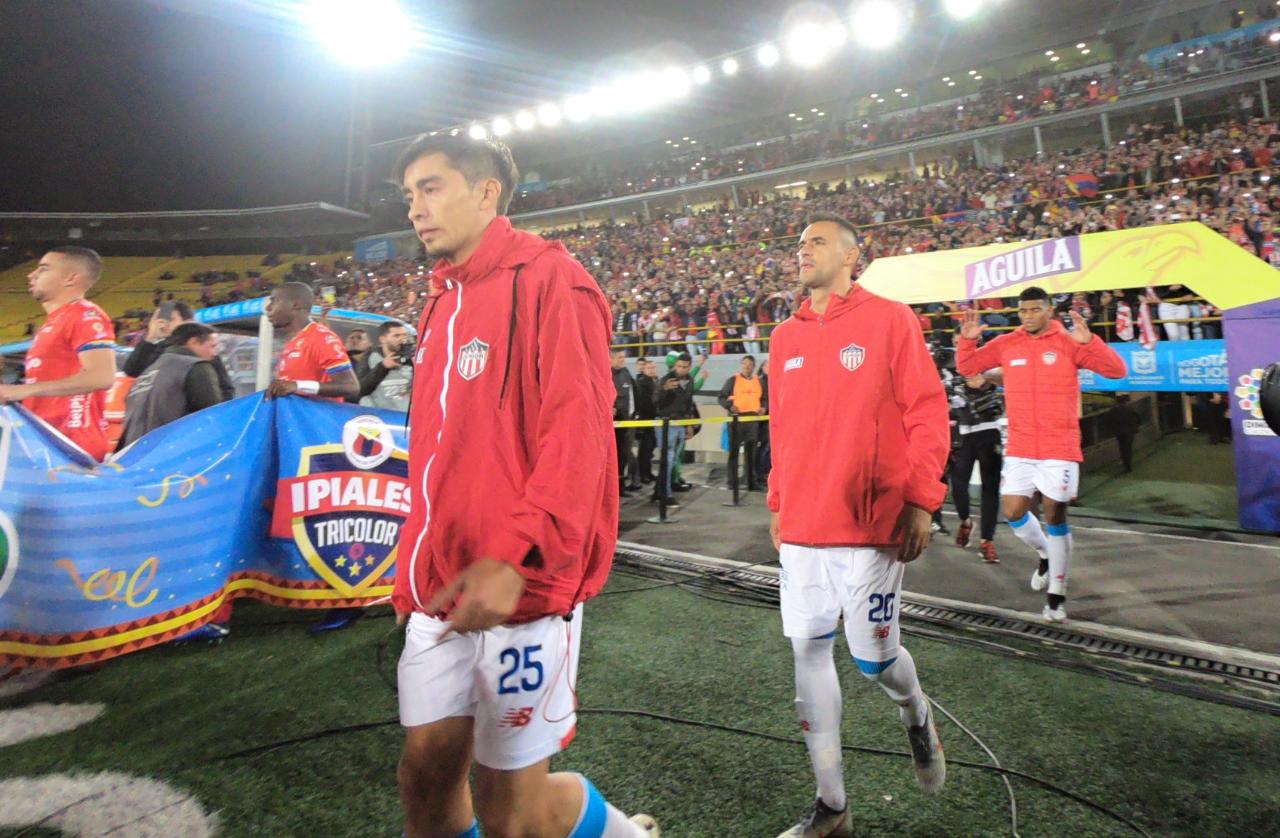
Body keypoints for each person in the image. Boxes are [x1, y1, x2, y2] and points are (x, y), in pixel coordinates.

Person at [391, 133, 658, 838]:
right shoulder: (440, 299)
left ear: (486, 193)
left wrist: (515, 555)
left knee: (516, 813)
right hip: (443, 587)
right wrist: (408, 579)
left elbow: (578, 440)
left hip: (523, 584)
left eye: (432, 187)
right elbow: (433, 455)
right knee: (424, 773)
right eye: (409, 194)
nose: (416, 208)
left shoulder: (552, 279)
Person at [768, 214, 950, 837]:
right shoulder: (784, 336)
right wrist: (777, 501)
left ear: (852, 255)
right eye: (799, 242)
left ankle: (916, 712)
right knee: (808, 651)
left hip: (870, 523)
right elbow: (781, 429)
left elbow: (927, 411)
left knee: (873, 661)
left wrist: (923, 499)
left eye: (815, 241)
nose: (802, 250)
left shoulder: (889, 319)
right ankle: (832, 807)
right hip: (801, 527)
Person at [957, 287, 1127, 623]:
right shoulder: (1008, 343)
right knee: (1014, 511)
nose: (1028, 316)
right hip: (1020, 446)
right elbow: (968, 365)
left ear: (1049, 310)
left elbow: (1117, 370)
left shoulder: (1067, 342)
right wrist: (968, 341)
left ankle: (1056, 597)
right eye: (1023, 310)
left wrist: (1089, 342)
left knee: (1055, 516)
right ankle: (1046, 554)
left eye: (1035, 310)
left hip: (1058, 448)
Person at [265, 282, 363, 637]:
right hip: (302, 446)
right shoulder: (292, 344)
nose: (268, 308)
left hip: (325, 446)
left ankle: (347, 601)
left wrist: (300, 388)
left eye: (273, 301)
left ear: (294, 304)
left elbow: (351, 387)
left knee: (331, 521)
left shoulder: (319, 338)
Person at [0, 247, 116, 461]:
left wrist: (22, 391)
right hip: (46, 442)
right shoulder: (55, 322)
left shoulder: (84, 315)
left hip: (70, 444)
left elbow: (102, 376)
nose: (31, 274)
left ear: (71, 278)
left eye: (43, 269)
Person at [120, 322, 228, 446]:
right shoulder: (196, 367)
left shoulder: (148, 371)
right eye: (212, 346)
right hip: (175, 451)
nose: (214, 354)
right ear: (193, 342)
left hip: (136, 453)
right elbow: (212, 415)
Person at [123, 300, 235, 401]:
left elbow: (226, 390)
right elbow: (132, 371)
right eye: (160, 321)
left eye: (170, 320)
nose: (164, 325)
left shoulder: (203, 348)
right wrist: (150, 337)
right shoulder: (158, 349)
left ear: (189, 321)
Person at [948, 373, 1005, 563]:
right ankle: (965, 521)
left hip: (989, 435)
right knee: (957, 485)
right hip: (963, 437)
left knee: (990, 489)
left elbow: (1001, 400)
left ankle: (986, 541)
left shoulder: (992, 376)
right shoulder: (954, 381)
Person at [655, 353, 696, 509]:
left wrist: (690, 425)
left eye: (684, 367)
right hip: (666, 423)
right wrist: (664, 389)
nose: (680, 369)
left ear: (689, 367)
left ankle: (659, 491)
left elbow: (688, 404)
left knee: (672, 461)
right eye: (678, 366)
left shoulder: (690, 380)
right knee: (668, 460)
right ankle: (665, 494)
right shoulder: (666, 379)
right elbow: (655, 400)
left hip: (681, 422)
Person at [716, 354, 763, 491]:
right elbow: (721, 397)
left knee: (751, 453)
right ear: (741, 365)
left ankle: (751, 482)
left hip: (752, 420)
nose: (747, 367)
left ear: (754, 367)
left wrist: (764, 407)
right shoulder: (732, 380)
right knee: (734, 453)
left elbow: (764, 398)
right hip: (737, 420)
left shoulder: (758, 381)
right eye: (745, 364)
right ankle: (732, 482)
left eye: (750, 365)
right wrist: (729, 406)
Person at [358, 321, 413, 412]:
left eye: (404, 336)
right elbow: (359, 389)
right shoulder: (370, 357)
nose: (402, 339)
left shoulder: (410, 360)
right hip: (379, 418)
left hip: (404, 418)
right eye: (397, 336)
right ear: (383, 339)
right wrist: (382, 367)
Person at [611, 347, 640, 496]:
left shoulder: (626, 373)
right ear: (611, 358)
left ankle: (621, 488)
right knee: (614, 457)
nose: (623, 360)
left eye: (623, 357)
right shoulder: (607, 375)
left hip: (629, 421)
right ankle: (612, 490)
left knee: (625, 456)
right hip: (615, 424)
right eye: (619, 357)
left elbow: (634, 393)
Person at [633, 358, 658, 484]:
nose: (652, 370)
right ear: (644, 369)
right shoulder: (642, 383)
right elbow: (644, 403)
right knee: (645, 449)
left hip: (652, 420)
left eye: (653, 368)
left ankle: (647, 472)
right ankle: (643, 475)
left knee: (650, 448)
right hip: (645, 420)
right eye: (649, 368)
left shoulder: (655, 381)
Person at [1110, 394, 1141, 472]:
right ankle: (1128, 465)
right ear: (1125, 401)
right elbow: (1138, 416)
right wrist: (1136, 425)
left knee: (1122, 448)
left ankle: (1125, 464)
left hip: (1120, 432)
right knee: (1128, 448)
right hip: (1130, 431)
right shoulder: (1130, 408)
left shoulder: (1114, 410)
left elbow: (1110, 420)